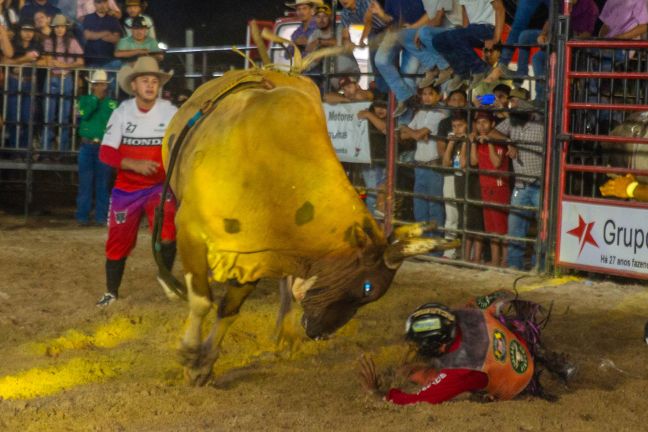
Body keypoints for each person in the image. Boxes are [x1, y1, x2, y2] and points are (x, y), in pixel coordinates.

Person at [359, 291, 576, 404]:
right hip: (515, 343)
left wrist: (376, 393)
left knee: (426, 376)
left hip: (516, 383)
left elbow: (416, 401)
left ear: (441, 345)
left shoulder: (459, 369)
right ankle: (542, 354)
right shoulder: (467, 313)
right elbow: (502, 295)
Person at [95, 56, 178, 308]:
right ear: (134, 86)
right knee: (118, 242)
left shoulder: (171, 112)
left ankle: (165, 276)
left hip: (158, 188)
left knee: (168, 232)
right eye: (145, 81)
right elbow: (106, 152)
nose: (151, 86)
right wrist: (135, 164)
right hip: (126, 189)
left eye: (154, 81)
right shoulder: (122, 112)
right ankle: (111, 292)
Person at [488, 87, 544, 270]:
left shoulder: (540, 124)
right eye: (512, 102)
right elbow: (491, 132)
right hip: (521, 184)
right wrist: (509, 142)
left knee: (541, 228)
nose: (512, 105)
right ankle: (515, 264)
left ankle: (539, 264)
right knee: (516, 228)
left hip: (539, 183)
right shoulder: (512, 122)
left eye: (515, 102)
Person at [400, 83, 447, 232]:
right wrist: (415, 133)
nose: (426, 97)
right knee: (420, 207)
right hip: (420, 165)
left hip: (433, 167)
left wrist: (411, 131)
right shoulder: (421, 112)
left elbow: (414, 134)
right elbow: (403, 134)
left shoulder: (440, 113)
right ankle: (424, 242)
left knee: (434, 207)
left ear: (438, 96)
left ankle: (435, 245)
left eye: (430, 94)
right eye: (424, 94)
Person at [432, 0, 505, 91]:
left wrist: (496, 38)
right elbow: (465, 13)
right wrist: (463, 33)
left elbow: (500, 9)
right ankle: (462, 71)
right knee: (437, 40)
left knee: (454, 35)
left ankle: (481, 69)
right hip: (472, 28)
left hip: (487, 28)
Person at [75, 69, 117, 226]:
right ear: (93, 86)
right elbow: (84, 114)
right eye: (97, 84)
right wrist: (94, 99)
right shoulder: (85, 100)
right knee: (86, 183)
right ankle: (83, 217)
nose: (100, 87)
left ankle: (99, 216)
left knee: (102, 183)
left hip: (102, 146)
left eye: (102, 85)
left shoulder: (111, 104)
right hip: (88, 145)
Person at [471, 110, 509, 266]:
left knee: (502, 226)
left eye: (485, 122)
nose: (481, 126)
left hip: (499, 187)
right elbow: (473, 162)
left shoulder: (498, 141)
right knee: (492, 227)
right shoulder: (479, 142)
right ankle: (494, 260)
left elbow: (496, 163)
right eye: (479, 123)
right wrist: (474, 143)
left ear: (493, 124)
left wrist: (491, 141)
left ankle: (505, 260)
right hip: (486, 186)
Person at [41, 13, 84, 153]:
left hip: (65, 78)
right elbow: (48, 61)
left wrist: (64, 66)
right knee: (49, 115)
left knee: (64, 115)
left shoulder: (72, 42)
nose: (59, 29)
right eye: (57, 27)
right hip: (54, 77)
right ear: (54, 28)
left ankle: (62, 150)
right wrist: (65, 65)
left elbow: (81, 62)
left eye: (62, 27)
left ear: (66, 28)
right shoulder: (48, 41)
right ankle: (46, 149)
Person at [437, 90, 467, 258]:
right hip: (451, 175)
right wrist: (451, 143)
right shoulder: (444, 124)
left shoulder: (471, 126)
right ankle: (449, 251)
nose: (456, 129)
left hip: (466, 176)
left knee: (466, 213)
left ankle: (465, 251)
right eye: (453, 99)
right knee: (451, 213)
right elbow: (445, 162)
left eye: (460, 99)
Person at [339, 0, 389, 93]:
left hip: (387, 30)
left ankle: (386, 93)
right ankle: (383, 93)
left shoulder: (365, 2)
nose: (343, 1)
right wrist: (347, 42)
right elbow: (345, 32)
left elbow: (368, 22)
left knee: (381, 62)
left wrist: (362, 40)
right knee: (376, 64)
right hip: (374, 33)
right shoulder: (345, 13)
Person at [5, 18, 39, 152]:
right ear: (20, 31)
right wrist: (25, 59)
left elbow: (36, 59)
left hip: (29, 80)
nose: (28, 33)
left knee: (27, 118)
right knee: (14, 117)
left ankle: (25, 150)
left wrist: (16, 62)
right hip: (14, 81)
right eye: (25, 30)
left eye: (30, 30)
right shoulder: (13, 44)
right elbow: (6, 61)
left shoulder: (36, 45)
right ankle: (15, 150)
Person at [357, 98, 388, 217]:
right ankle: (374, 227)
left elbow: (385, 128)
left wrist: (369, 114)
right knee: (372, 196)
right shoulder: (368, 118)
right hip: (371, 161)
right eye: (378, 106)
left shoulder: (392, 119)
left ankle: (377, 227)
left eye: (384, 107)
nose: (380, 109)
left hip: (382, 162)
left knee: (377, 196)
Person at [82, 0, 122, 69]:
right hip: (91, 59)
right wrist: (106, 33)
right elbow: (87, 35)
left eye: (104, 2)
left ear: (108, 3)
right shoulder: (88, 18)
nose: (102, 5)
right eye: (99, 2)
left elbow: (116, 39)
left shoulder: (113, 19)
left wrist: (95, 35)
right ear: (94, 4)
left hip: (109, 60)